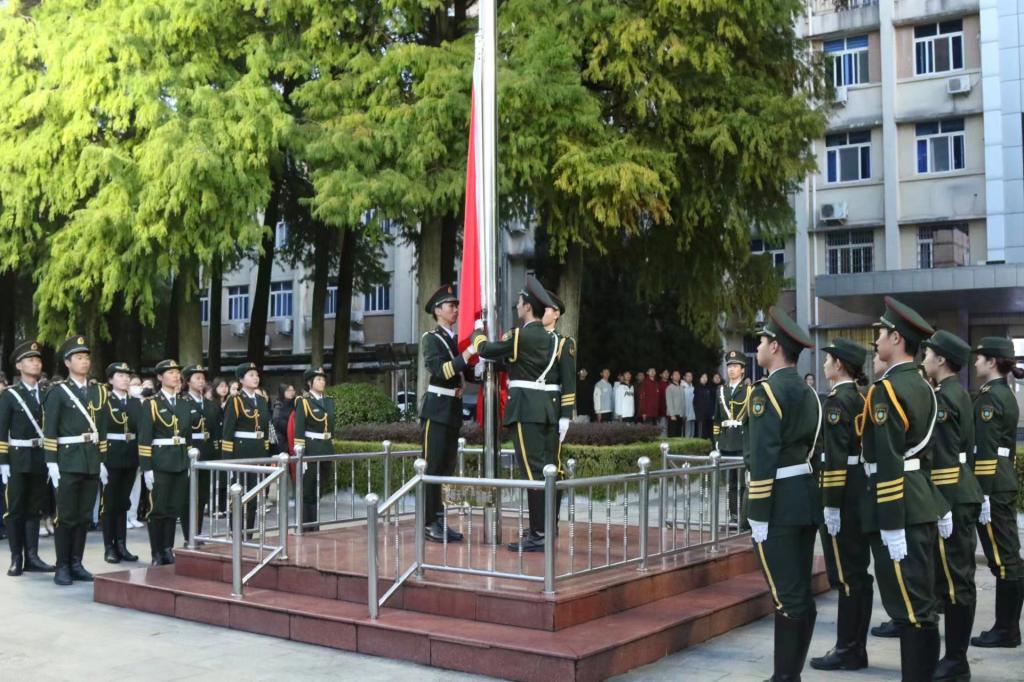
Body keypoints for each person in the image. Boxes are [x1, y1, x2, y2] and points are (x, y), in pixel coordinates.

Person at [861, 296, 946, 679]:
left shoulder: (888, 389)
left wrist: (891, 522)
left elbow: (890, 457)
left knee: (912, 610)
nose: (876, 340)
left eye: (881, 333)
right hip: (920, 500)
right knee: (920, 605)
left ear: (896, 338)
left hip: (901, 508)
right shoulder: (924, 386)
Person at [746, 307, 822, 681]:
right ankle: (789, 675)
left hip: (776, 502)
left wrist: (757, 512)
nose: (758, 346)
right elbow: (813, 450)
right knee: (799, 591)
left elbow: (762, 456)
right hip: (804, 498)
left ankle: (785, 678)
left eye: (762, 340)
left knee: (786, 596)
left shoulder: (766, 392)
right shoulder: (810, 393)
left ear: (775, 346)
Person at [470, 276, 562, 552]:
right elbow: (519, 364)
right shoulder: (549, 337)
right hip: (544, 409)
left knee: (532, 474)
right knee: (545, 470)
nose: (517, 306)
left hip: (526, 409)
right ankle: (544, 529)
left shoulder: (523, 335)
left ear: (528, 306)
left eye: (520, 302)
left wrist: (477, 331)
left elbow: (486, 349)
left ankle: (538, 534)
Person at [917, 331, 984, 679]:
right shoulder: (960, 393)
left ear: (941, 360)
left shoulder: (944, 399)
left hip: (950, 495)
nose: (924, 358)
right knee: (957, 577)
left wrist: (940, 504)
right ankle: (955, 657)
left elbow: (942, 458)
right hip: (961, 491)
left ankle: (957, 660)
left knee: (956, 580)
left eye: (928, 354)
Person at [809, 338, 873, 671]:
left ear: (839, 365)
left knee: (846, 577)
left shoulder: (837, 401)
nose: (824, 364)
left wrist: (830, 504)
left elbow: (835, 457)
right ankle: (856, 648)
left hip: (842, 496)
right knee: (859, 574)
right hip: (860, 492)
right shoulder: (861, 397)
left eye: (828, 359)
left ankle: (847, 649)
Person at [970, 336, 1024, 649]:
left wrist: (984, 494)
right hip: (1002, 480)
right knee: (1008, 556)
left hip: (993, 484)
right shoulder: (1002, 393)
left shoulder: (990, 399)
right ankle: (1007, 628)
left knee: (1004, 561)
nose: (975, 362)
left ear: (992, 362)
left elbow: (987, 451)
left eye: (980, 357)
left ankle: (1006, 630)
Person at [43, 335, 109, 585]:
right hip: (68, 461)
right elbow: (50, 429)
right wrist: (51, 461)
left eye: (87, 357)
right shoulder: (58, 392)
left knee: (83, 516)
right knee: (66, 516)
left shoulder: (98, 391)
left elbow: (102, 428)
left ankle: (76, 563)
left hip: (91, 460)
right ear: (67, 362)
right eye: (79, 357)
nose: (85, 361)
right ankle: (62, 565)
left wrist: (102, 460)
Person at [418, 285, 474, 543]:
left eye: (456, 306)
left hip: (452, 410)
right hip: (437, 411)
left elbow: (467, 373)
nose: (456, 310)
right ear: (438, 310)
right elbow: (442, 371)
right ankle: (429, 522)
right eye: (451, 306)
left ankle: (439, 520)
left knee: (445, 470)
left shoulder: (455, 340)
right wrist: (468, 353)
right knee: (432, 468)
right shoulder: (431, 338)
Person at [0, 340, 56, 575]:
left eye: (38, 360)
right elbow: (2, 430)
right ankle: (16, 558)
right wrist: (3, 461)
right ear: (19, 366)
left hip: (39, 458)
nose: (36, 363)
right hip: (17, 459)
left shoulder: (47, 393)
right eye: (30, 360)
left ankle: (32, 556)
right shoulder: (10, 395)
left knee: (34, 509)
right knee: (15, 509)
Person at [137, 360, 193, 565]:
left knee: (173, 508)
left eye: (177, 372)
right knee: (158, 509)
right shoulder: (152, 403)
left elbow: (188, 436)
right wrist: (146, 468)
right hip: (160, 462)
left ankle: (168, 549)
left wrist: (189, 461)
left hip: (180, 461)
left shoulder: (184, 403)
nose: (176, 376)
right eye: (170, 372)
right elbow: (144, 438)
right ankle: (156, 552)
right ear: (160, 377)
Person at [221, 363, 271, 535]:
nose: (255, 378)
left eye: (256, 375)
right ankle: (236, 532)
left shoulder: (262, 400)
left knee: (254, 496)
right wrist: (228, 461)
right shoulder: (235, 400)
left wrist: (266, 455)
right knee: (238, 495)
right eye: (251, 375)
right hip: (241, 452)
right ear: (241, 380)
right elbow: (228, 432)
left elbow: (265, 429)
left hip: (258, 451)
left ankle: (248, 532)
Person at [100, 362, 140, 564]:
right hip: (112, 455)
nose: (125, 379)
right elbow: (100, 430)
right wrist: (100, 459)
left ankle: (121, 545)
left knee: (123, 502)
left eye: (127, 375)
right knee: (110, 503)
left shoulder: (135, 402)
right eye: (120, 375)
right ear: (110, 380)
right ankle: (109, 546)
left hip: (130, 455)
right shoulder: (105, 402)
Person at [293, 367, 335, 532]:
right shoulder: (304, 401)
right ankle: (306, 525)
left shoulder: (329, 401)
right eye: (318, 379)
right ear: (310, 383)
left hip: (326, 447)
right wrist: (300, 450)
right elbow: (299, 428)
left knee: (320, 488)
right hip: (312, 447)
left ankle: (314, 524)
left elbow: (331, 426)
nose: (322, 382)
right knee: (308, 489)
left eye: (323, 379)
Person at [183, 365, 221, 538]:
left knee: (202, 496)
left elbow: (216, 430)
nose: (201, 381)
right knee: (189, 496)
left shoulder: (210, 403)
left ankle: (197, 533)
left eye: (202, 378)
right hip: (191, 450)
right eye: (197, 378)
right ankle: (189, 535)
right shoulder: (183, 402)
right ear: (188, 381)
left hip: (207, 450)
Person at [714, 351, 750, 530]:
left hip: (742, 442)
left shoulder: (750, 391)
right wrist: (717, 440)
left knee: (743, 483)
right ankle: (733, 516)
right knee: (730, 484)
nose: (731, 369)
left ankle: (743, 516)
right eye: (729, 366)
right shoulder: (721, 391)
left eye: (735, 366)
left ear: (742, 370)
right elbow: (717, 418)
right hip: (726, 442)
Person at [693, 373, 715, 439]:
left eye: (706, 377)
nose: (705, 379)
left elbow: (711, 402)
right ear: (699, 378)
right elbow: (696, 403)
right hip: (701, 416)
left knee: (708, 434)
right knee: (701, 434)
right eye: (703, 377)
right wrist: (699, 414)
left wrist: (712, 413)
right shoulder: (697, 388)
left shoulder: (708, 388)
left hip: (709, 415)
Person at [665, 371, 685, 437]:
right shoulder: (669, 388)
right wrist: (672, 415)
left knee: (679, 434)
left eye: (678, 374)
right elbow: (669, 402)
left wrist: (683, 413)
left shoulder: (681, 387)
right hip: (673, 415)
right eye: (675, 375)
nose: (677, 376)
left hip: (680, 414)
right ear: (671, 377)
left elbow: (683, 402)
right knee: (672, 434)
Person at [682, 371, 695, 437]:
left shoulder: (693, 388)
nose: (689, 377)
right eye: (688, 376)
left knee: (692, 432)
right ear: (684, 377)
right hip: (685, 413)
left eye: (691, 376)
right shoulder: (682, 388)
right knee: (687, 432)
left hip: (693, 413)